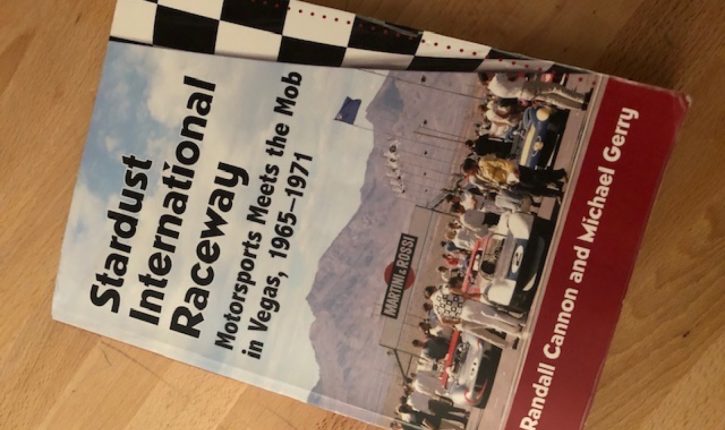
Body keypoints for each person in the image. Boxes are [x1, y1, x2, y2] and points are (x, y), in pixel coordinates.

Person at [426, 286, 524, 348]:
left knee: (491, 323)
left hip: (463, 315)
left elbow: (443, 321)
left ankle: (515, 332)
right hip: (467, 304)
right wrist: (465, 294)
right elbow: (451, 290)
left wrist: (456, 321)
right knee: (494, 314)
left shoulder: (436, 308)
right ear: (433, 289)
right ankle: (517, 322)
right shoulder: (439, 292)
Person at [461, 156, 567, 197]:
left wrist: (513, 170)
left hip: (514, 173)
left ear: (472, 166)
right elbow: (492, 181)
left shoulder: (483, 162)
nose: (470, 175)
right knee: (534, 191)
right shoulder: (478, 175)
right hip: (510, 183)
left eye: (469, 172)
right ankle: (557, 194)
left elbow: (501, 163)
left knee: (537, 178)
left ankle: (560, 174)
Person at [480, 72, 590, 111]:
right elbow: (512, 75)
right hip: (525, 86)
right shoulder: (496, 78)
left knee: (553, 99)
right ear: (487, 75)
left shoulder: (494, 92)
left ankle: (578, 106)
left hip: (523, 95)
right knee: (555, 88)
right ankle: (582, 98)